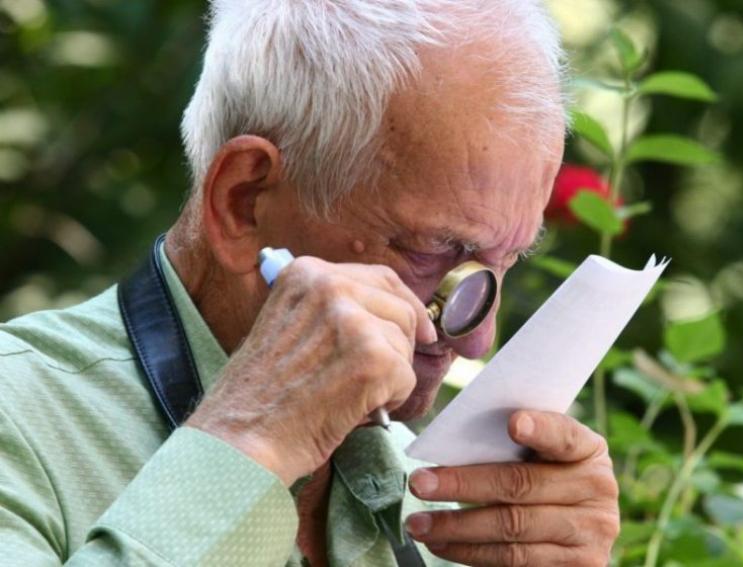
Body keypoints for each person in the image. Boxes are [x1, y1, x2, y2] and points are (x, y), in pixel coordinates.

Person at [0, 1, 620, 565]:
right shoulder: (21, 423)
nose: (477, 339)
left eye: (505, 262)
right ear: (244, 202)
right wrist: (252, 440)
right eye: (432, 251)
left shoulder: (442, 510)